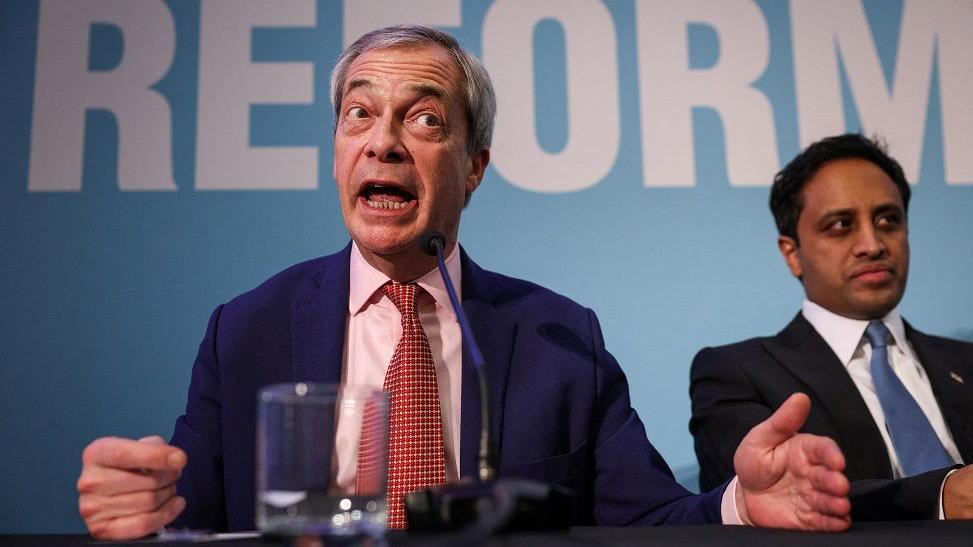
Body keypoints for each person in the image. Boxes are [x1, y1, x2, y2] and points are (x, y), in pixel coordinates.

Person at [76, 26, 851, 540]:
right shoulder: (246, 328)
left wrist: (742, 504)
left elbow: (644, 516)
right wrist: (143, 512)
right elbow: (193, 519)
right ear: (336, 148)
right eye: (357, 115)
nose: (381, 142)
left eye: (422, 120)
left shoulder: (557, 337)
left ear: (473, 166)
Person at [690, 134, 973, 520]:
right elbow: (766, 500)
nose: (873, 245)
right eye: (841, 224)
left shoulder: (965, 361)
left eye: (889, 220)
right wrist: (941, 496)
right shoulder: (735, 372)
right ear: (792, 254)